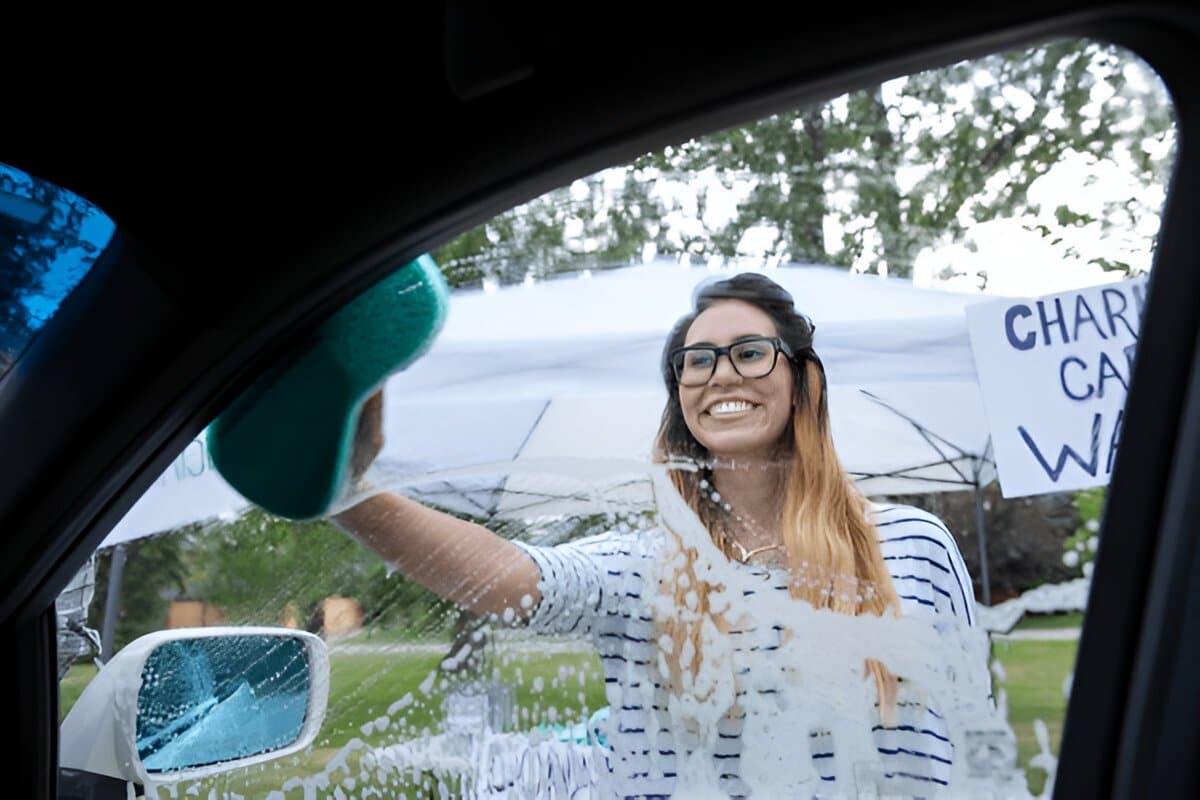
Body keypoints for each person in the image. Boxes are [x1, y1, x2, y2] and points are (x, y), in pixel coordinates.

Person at [332, 272, 983, 798]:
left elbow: (970, 729)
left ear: (802, 382)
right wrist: (345, 490)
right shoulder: (650, 569)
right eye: (696, 361)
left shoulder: (914, 544)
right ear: (682, 399)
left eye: (750, 353)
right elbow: (512, 577)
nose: (721, 374)